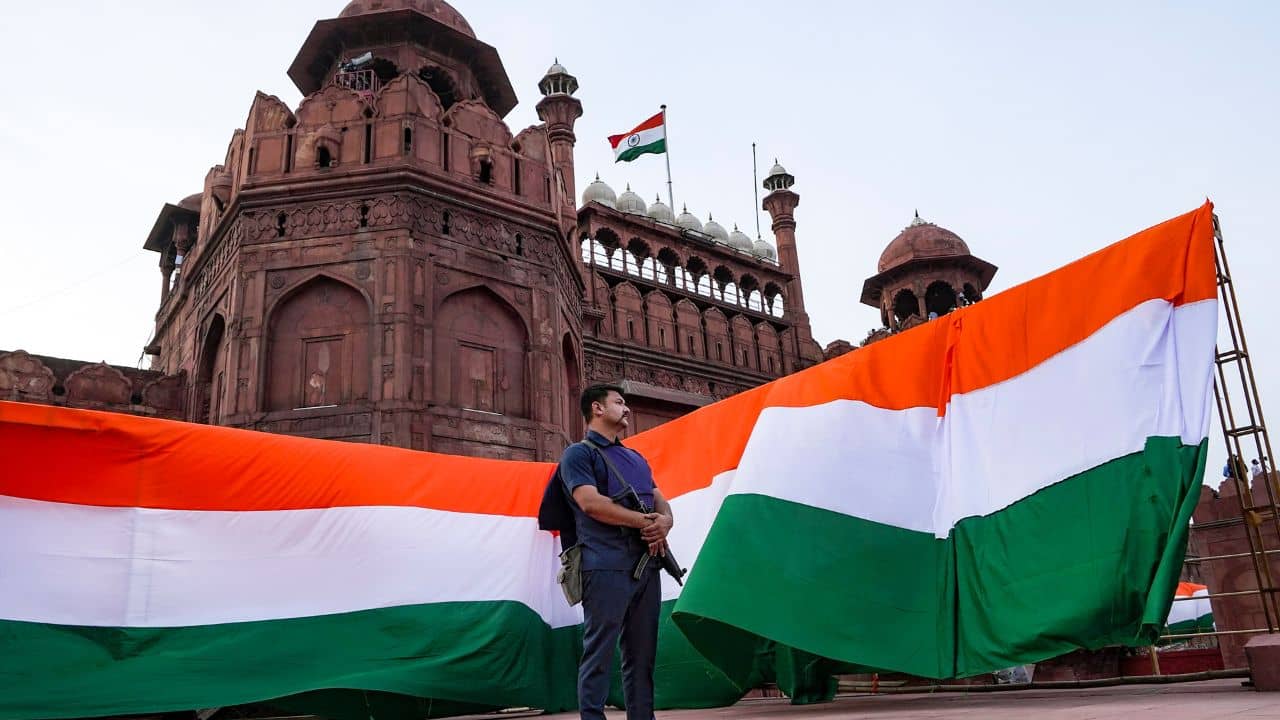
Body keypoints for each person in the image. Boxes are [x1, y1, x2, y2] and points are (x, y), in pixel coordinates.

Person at [560, 384, 673, 720]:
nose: (626, 409)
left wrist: (665, 522)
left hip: (645, 567)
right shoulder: (578, 455)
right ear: (597, 408)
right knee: (599, 656)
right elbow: (590, 503)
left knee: (642, 657)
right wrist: (645, 522)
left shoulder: (636, 458)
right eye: (619, 402)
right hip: (604, 565)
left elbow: (658, 498)